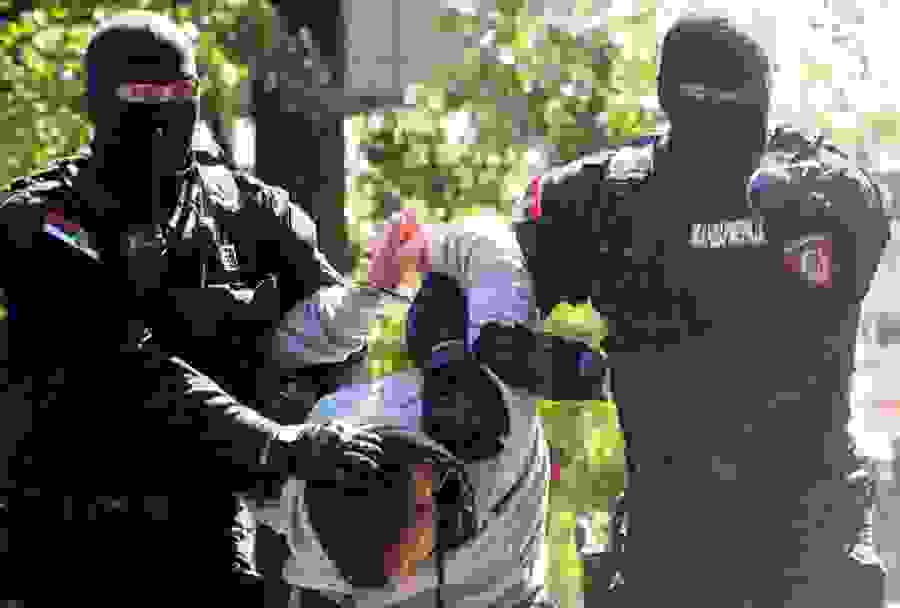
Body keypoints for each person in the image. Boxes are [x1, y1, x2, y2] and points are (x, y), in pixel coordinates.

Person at [375, 14, 890, 608]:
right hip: (673, 546)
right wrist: (470, 361)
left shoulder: (824, 197)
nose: (726, 152)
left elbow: (753, 343)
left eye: (738, 122)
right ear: (672, 104)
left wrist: (598, 365)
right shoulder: (608, 200)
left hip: (811, 541)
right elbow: (456, 283)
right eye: (709, 122)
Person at [0, 11, 397, 603]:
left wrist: (366, 315)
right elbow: (132, 371)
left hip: (207, 528)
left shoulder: (249, 211)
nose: (164, 108)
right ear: (94, 103)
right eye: (142, 93)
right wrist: (280, 445)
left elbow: (329, 336)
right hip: (62, 532)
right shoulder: (45, 220)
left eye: (180, 90)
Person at [248, 212, 574, 608]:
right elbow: (489, 244)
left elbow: (276, 346)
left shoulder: (340, 418)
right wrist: (427, 249)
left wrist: (373, 292)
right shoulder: (506, 393)